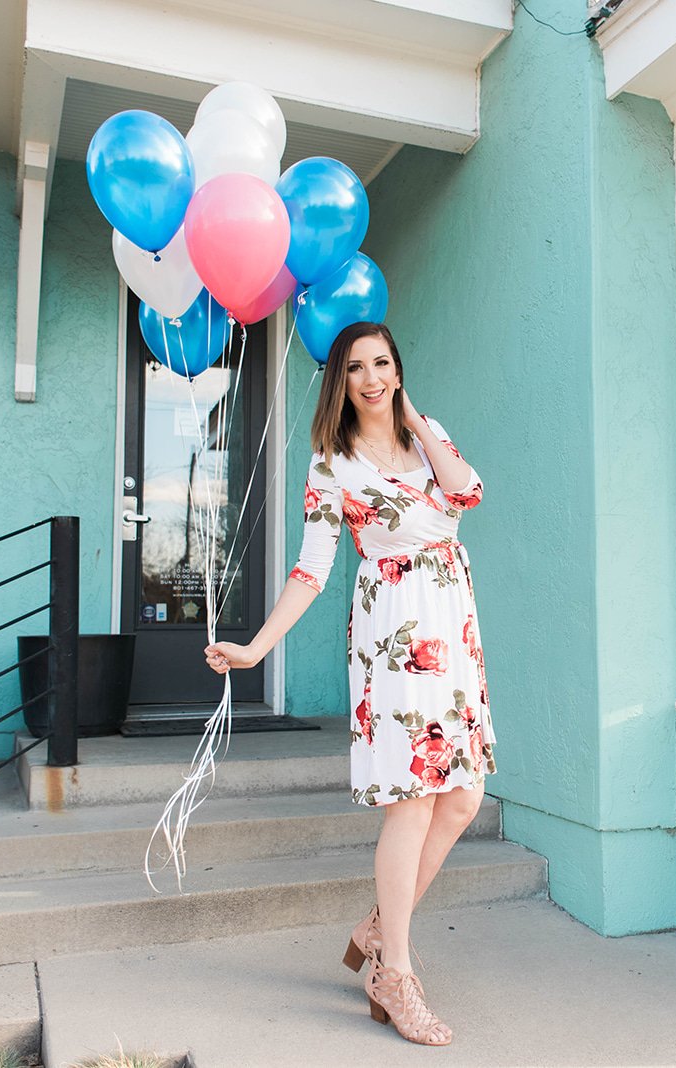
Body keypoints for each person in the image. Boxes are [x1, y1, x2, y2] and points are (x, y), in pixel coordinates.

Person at [203, 320, 494, 1047]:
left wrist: (419, 422)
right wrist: (256, 649)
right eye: (357, 366)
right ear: (341, 379)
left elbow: (468, 491)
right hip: (394, 636)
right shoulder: (331, 463)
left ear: (398, 369)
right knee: (413, 804)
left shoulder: (430, 432)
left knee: (463, 798)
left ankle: (373, 928)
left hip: (452, 629)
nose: (371, 377)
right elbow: (311, 571)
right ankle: (394, 971)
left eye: (383, 363)